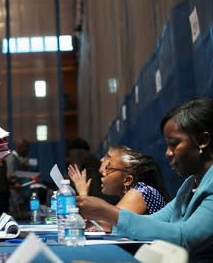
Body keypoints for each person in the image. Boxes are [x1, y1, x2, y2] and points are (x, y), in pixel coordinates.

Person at [77, 98, 213, 261]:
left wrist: (107, 212)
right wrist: (108, 218)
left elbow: (184, 238)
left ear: (203, 141)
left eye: (174, 144)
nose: (168, 153)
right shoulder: (190, 184)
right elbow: (154, 221)